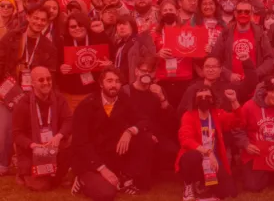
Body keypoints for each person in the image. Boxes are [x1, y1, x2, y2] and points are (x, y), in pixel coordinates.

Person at [71, 67, 153, 198]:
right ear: (101, 84)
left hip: (112, 154)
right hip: (90, 159)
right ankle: (81, 179)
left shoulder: (124, 99)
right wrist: (102, 169)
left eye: (117, 81)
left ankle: (126, 179)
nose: (114, 85)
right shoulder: (86, 106)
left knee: (144, 138)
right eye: (109, 81)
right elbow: (81, 143)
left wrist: (129, 131)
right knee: (107, 194)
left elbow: (144, 120)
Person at [11, 66, 73, 191]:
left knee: (72, 139)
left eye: (48, 79)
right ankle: (23, 173)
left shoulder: (59, 98)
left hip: (53, 147)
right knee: (42, 186)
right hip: (33, 151)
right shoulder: (23, 104)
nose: (46, 83)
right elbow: (17, 134)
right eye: (41, 80)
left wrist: (59, 135)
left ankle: (56, 174)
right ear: (32, 83)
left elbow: (69, 120)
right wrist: (32, 145)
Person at [176, 86, 241, 200]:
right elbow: (185, 139)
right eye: (200, 97)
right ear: (194, 100)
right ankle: (189, 184)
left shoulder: (218, 114)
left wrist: (234, 101)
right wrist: (208, 152)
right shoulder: (189, 115)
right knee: (193, 156)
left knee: (229, 192)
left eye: (207, 97)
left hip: (213, 162)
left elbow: (238, 121)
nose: (204, 99)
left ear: (213, 99)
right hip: (196, 158)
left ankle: (204, 185)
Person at [123, 57, 178, 178]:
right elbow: (122, 119)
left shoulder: (158, 90)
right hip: (136, 133)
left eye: (150, 72)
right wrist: (146, 135)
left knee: (172, 151)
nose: (146, 74)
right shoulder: (126, 91)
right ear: (136, 71)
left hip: (157, 134)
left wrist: (162, 98)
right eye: (143, 71)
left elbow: (170, 120)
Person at [57, 12, 111, 110]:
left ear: (86, 25)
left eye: (80, 24)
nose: (77, 28)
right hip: (71, 95)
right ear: (68, 29)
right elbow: (55, 66)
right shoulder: (62, 42)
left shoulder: (98, 38)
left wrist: (109, 64)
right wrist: (60, 68)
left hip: (94, 93)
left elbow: (113, 59)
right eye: (73, 26)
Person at [210, 0, 274, 81]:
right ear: (235, 14)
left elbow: (270, 59)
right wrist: (228, 75)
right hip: (230, 84)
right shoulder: (225, 33)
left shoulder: (260, 34)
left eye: (246, 12)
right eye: (240, 11)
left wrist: (255, 74)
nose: (243, 14)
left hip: (254, 83)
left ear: (251, 14)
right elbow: (215, 59)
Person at [178, 56, 258, 118]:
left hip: (225, 130)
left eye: (214, 67)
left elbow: (250, 85)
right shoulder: (193, 89)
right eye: (207, 67)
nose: (210, 70)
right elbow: (181, 113)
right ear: (203, 69)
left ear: (220, 70)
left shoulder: (229, 88)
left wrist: (247, 63)